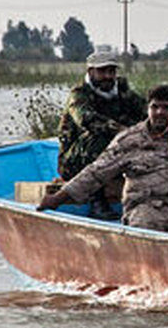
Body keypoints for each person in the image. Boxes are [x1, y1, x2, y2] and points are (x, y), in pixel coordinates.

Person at [38, 85, 168, 232]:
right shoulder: (129, 140)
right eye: (154, 107)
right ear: (148, 109)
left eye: (166, 108)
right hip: (147, 208)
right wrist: (57, 199)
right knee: (147, 226)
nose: (159, 113)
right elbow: (95, 172)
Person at [57, 48, 146, 215]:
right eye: (102, 71)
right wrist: (124, 132)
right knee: (97, 136)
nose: (107, 76)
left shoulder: (122, 91)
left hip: (114, 156)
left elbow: (147, 113)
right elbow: (86, 119)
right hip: (75, 163)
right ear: (90, 72)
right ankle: (96, 200)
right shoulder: (79, 95)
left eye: (111, 71)